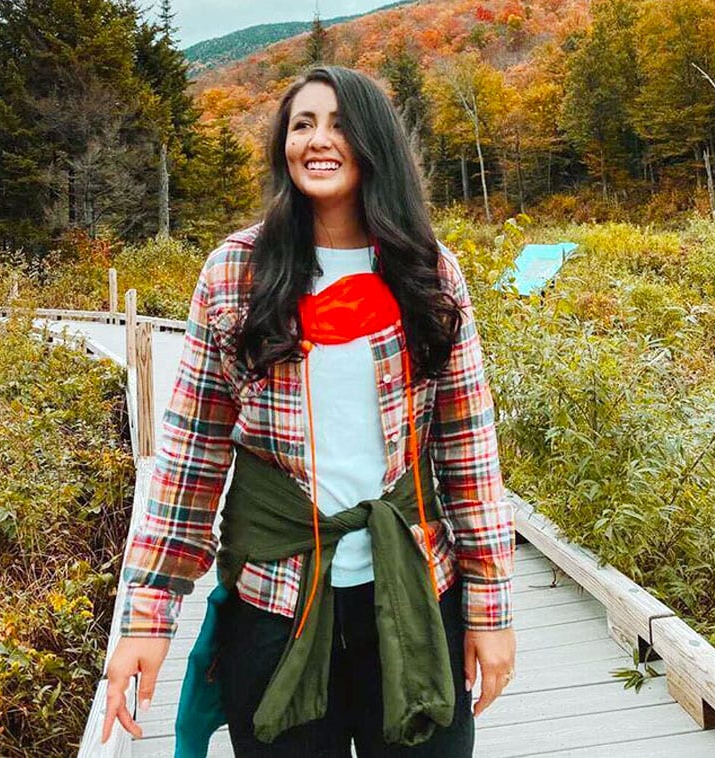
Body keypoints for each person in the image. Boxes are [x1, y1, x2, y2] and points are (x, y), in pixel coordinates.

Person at [102, 65, 516, 756]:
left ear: (374, 142)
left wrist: (492, 611)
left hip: (413, 597)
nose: (318, 141)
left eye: (339, 124)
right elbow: (191, 458)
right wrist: (146, 619)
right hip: (274, 600)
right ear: (283, 146)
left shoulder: (428, 270)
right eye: (302, 125)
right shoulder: (237, 271)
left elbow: (469, 451)